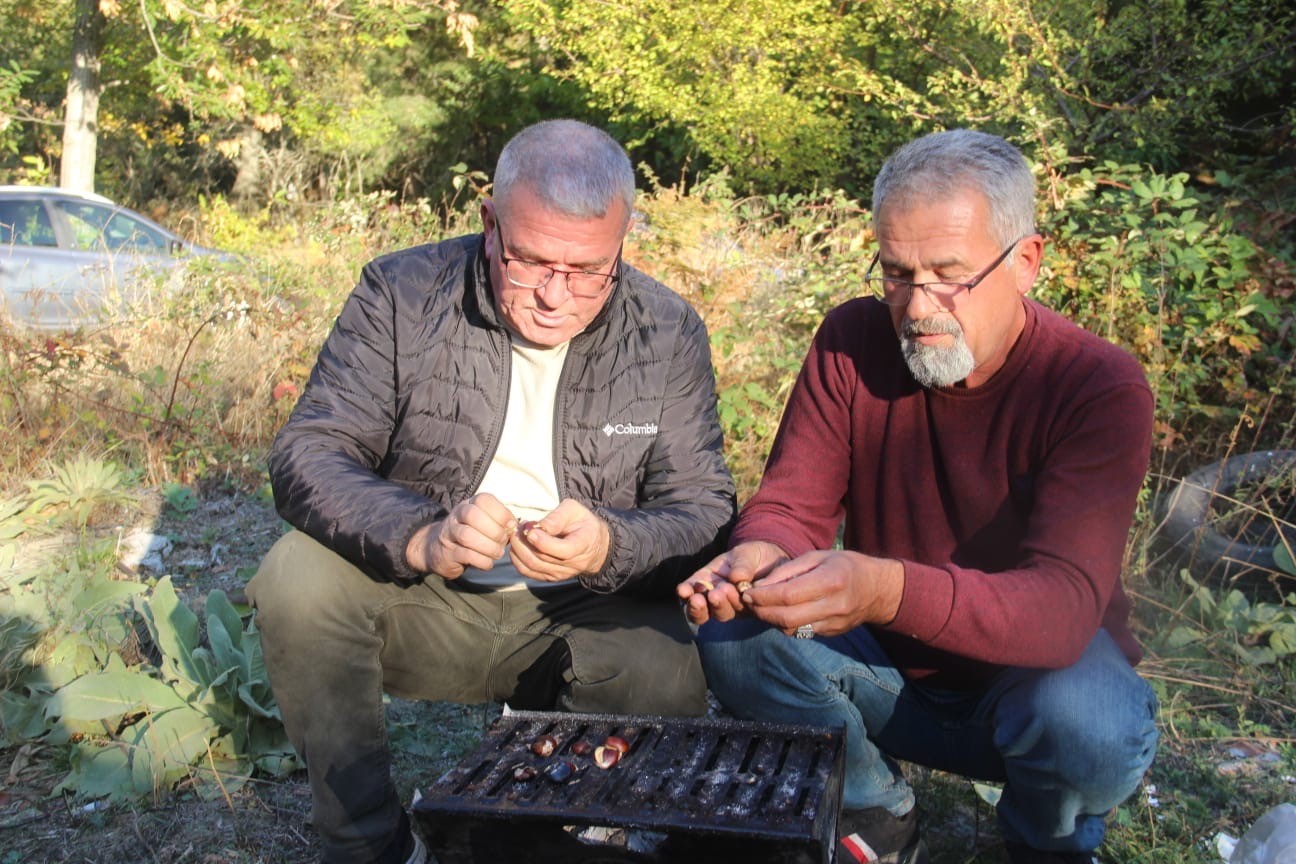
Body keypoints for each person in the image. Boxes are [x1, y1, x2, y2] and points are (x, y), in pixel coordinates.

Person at [250, 119, 736, 864]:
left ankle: (552, 832)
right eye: (531, 261)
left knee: (668, 666)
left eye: (587, 270)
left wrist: (612, 541)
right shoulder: (401, 292)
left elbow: (702, 509)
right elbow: (309, 452)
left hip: (584, 608)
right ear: (488, 224)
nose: (554, 295)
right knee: (295, 576)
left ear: (623, 240)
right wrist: (421, 533)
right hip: (425, 598)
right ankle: (368, 843)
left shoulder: (667, 330)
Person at [679, 129, 1158, 864]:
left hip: (1029, 687)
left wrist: (882, 589)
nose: (917, 305)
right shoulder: (853, 339)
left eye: (949, 275)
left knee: (1088, 718)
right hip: (887, 670)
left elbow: (1062, 612)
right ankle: (877, 810)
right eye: (897, 272)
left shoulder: (1097, 385)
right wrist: (756, 557)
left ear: (1025, 261)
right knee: (734, 638)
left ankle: (1045, 840)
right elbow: (792, 503)